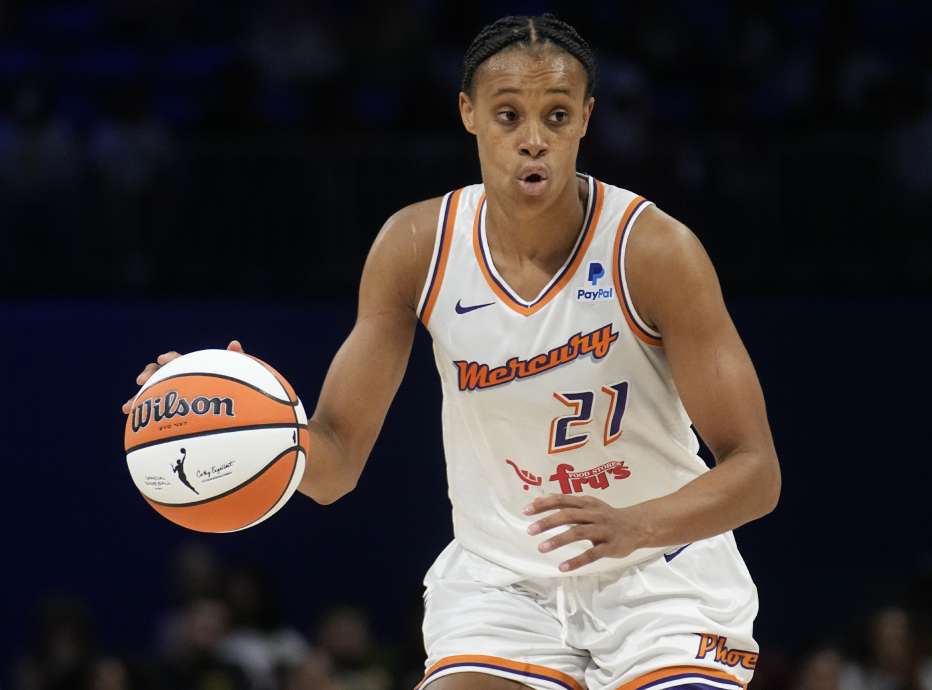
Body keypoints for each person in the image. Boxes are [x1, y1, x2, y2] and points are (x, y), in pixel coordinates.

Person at [122, 13, 780, 690]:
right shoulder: (416, 246)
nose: (533, 141)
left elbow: (757, 472)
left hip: (660, 573)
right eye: (508, 115)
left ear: (586, 118)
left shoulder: (655, 251)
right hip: (502, 585)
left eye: (556, 116)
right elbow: (335, 465)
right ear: (468, 114)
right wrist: (231, 413)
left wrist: (634, 526)